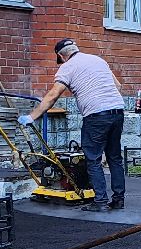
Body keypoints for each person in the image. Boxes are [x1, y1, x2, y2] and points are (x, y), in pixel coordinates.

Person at [22, 39, 128, 211]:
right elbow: (118, 86)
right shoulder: (98, 60)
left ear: (61, 56)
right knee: (114, 158)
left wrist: (32, 116)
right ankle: (118, 200)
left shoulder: (67, 67)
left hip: (96, 116)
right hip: (117, 111)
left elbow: (52, 95)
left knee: (93, 159)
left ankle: (100, 202)